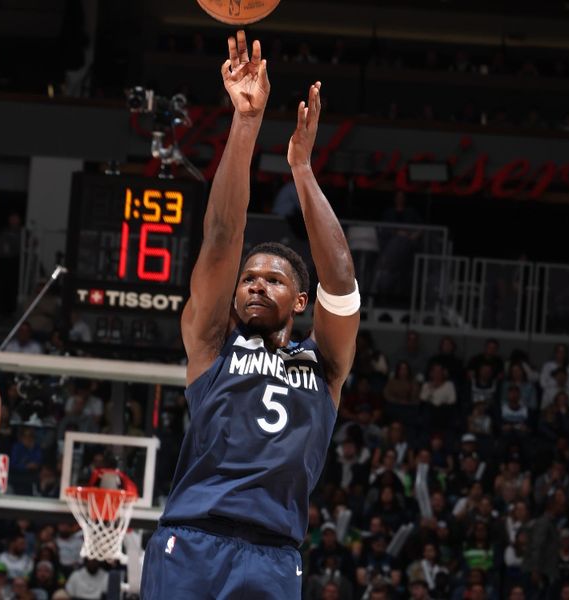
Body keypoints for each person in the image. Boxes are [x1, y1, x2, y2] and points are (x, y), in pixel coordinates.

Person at [141, 31, 359, 600]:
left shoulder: (325, 365)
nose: (256, 284)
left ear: (300, 303)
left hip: (273, 554)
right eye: (249, 278)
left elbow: (341, 282)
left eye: (275, 280)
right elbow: (220, 238)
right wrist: (246, 124)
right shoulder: (212, 346)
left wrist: (303, 171)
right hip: (190, 541)